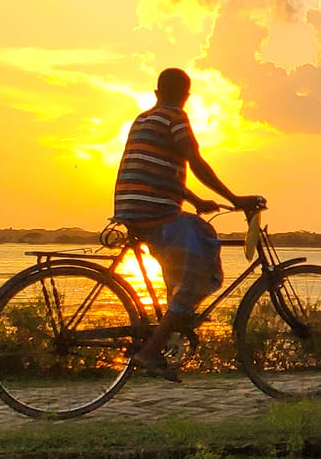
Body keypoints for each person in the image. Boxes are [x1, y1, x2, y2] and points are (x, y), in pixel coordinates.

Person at [112, 68, 262, 380]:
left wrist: (195, 201)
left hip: (132, 205)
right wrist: (235, 200)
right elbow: (195, 162)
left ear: (156, 93)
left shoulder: (144, 119)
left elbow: (158, 169)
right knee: (202, 250)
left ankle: (169, 331)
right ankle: (152, 350)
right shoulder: (176, 118)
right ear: (187, 97)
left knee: (183, 256)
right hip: (154, 209)